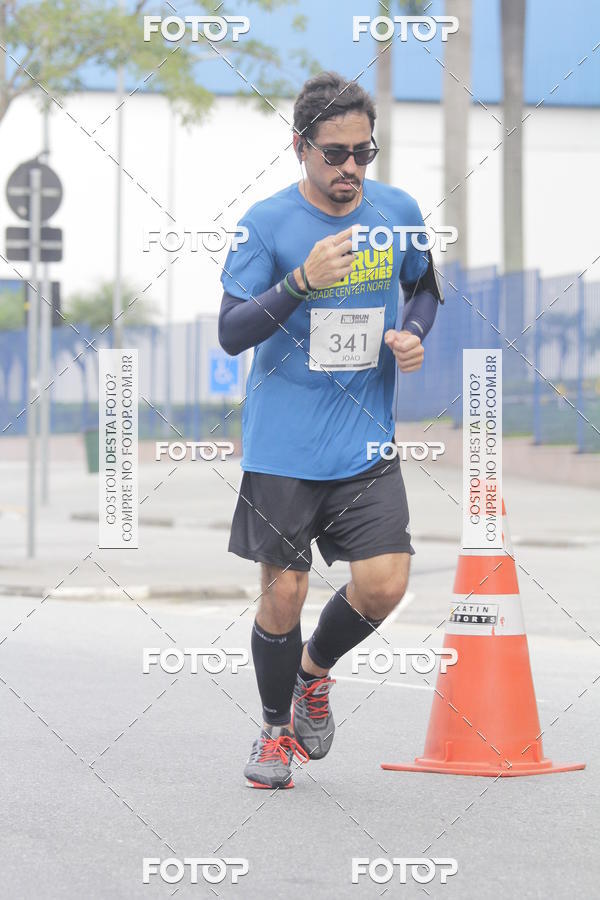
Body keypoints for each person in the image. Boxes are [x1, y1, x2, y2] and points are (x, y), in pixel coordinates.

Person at [218, 71, 443, 789]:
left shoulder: (397, 210)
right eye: (336, 153)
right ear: (301, 147)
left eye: (364, 153)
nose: (351, 168)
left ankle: (313, 674)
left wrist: (411, 334)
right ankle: (276, 731)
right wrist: (301, 283)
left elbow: (426, 286)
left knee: (384, 584)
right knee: (283, 595)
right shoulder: (266, 223)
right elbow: (230, 332)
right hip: (284, 444)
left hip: (363, 440)